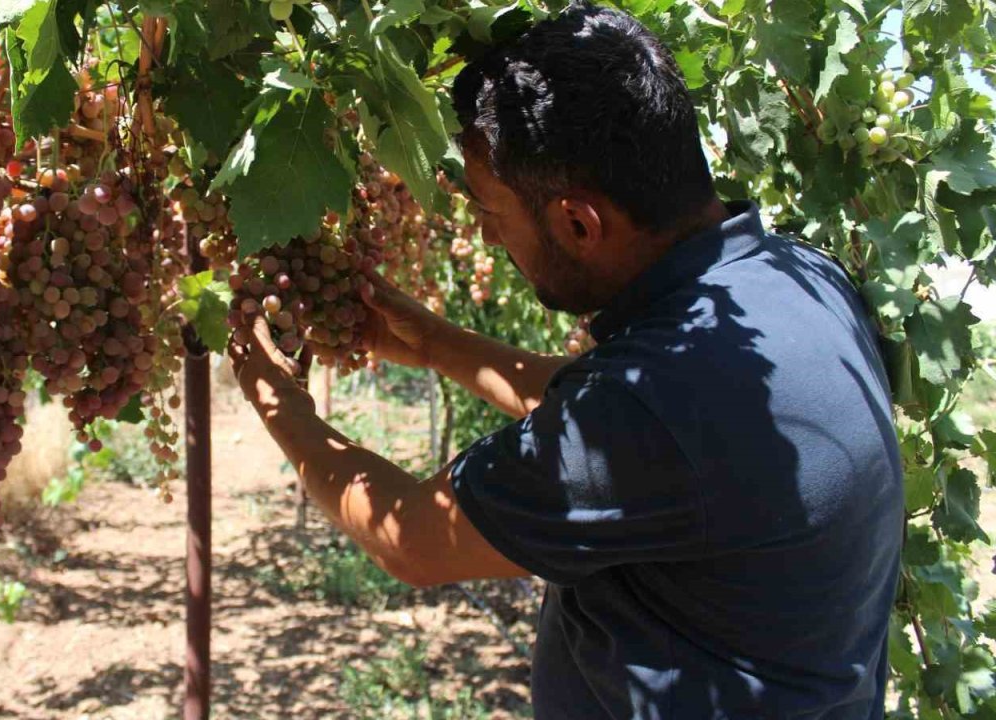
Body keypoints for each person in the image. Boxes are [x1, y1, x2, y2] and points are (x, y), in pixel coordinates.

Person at [228, 4, 904, 718]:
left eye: (492, 216)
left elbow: (411, 537)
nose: (488, 239)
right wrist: (427, 341)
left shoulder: (653, 409)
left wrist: (279, 401)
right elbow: (638, 421)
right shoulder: (793, 280)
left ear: (579, 223)